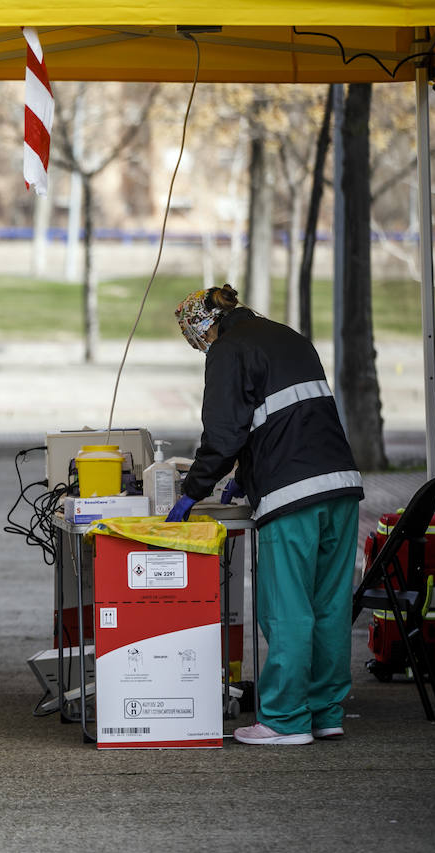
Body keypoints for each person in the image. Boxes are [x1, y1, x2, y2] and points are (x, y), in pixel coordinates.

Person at [166, 284, 363, 746]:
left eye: (198, 342)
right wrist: (246, 472)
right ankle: (324, 711)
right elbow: (284, 417)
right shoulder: (288, 336)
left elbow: (222, 433)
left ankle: (284, 720)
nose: (203, 349)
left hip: (291, 494)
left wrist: (193, 493)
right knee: (329, 607)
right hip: (339, 485)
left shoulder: (228, 349)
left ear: (202, 329)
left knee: (287, 609)